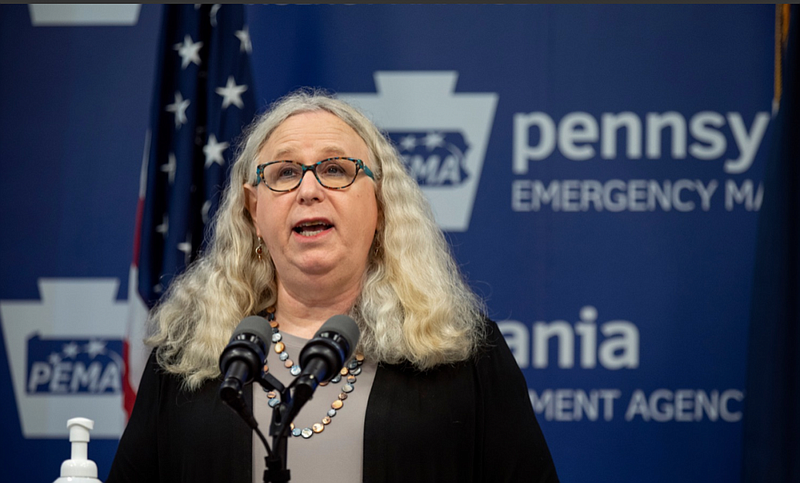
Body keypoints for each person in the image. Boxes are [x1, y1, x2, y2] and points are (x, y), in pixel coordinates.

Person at [107, 88, 559, 483]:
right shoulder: (186, 358)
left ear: (380, 205)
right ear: (252, 211)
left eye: (337, 170)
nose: (308, 190)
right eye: (284, 173)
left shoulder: (465, 353)